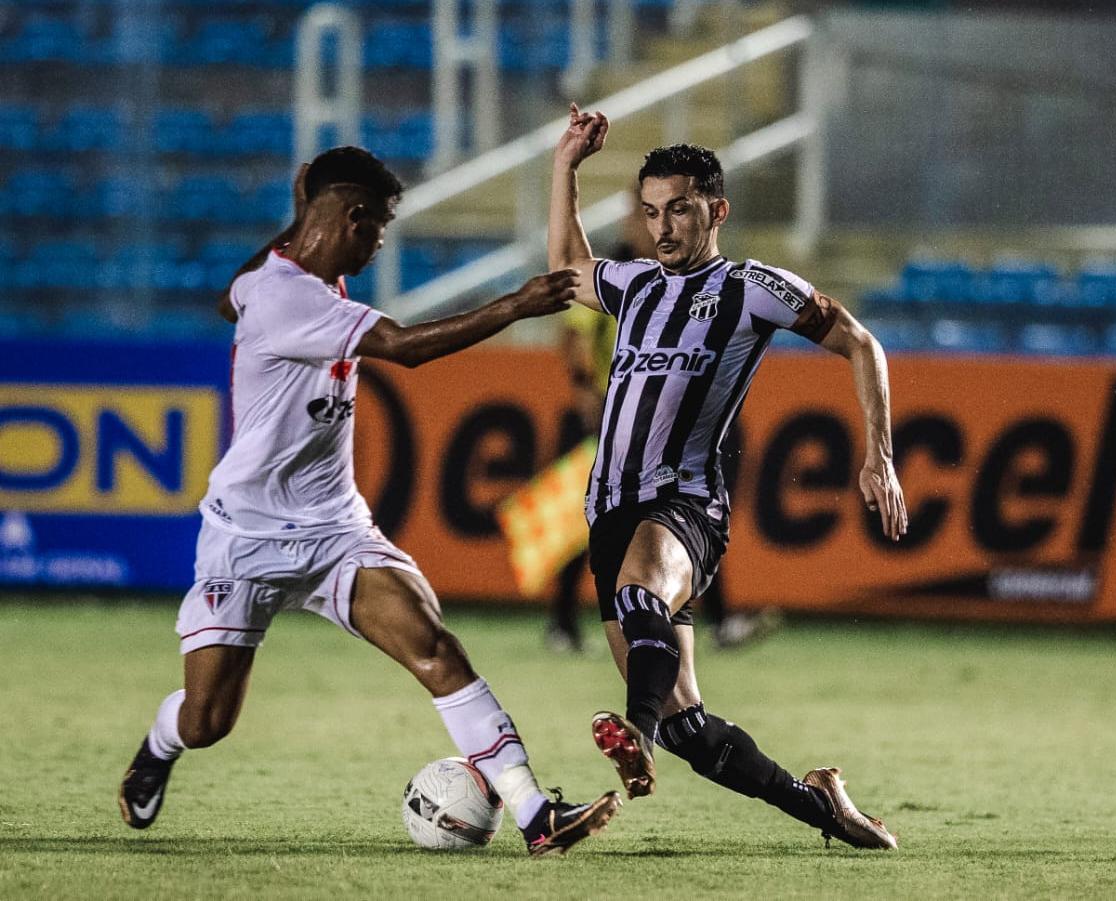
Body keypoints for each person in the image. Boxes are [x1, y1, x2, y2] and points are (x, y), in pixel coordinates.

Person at [118, 147, 622, 856]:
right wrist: (517, 303)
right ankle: (159, 745)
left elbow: (223, 294)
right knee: (207, 721)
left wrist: (301, 219)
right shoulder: (289, 296)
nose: (380, 241)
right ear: (351, 216)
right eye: (377, 226)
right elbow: (405, 348)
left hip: (335, 531)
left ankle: (537, 814)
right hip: (246, 537)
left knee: (436, 647)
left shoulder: (288, 280)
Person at [548, 104, 907, 849]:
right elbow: (563, 275)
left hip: (684, 505)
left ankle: (633, 736)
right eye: (651, 211)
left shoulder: (750, 287)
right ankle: (822, 806)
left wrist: (880, 455)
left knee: (643, 596)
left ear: (716, 209)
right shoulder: (636, 285)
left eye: (678, 208)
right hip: (607, 511)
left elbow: (860, 343)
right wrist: (565, 169)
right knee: (693, 728)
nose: (663, 226)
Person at [545, 192, 780, 653]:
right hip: (613, 420)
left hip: (660, 426)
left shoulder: (674, 282)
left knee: (682, 515)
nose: (653, 226)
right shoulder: (614, 277)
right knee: (595, 522)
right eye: (645, 214)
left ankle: (718, 619)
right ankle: (562, 622)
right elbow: (572, 335)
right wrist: (587, 395)